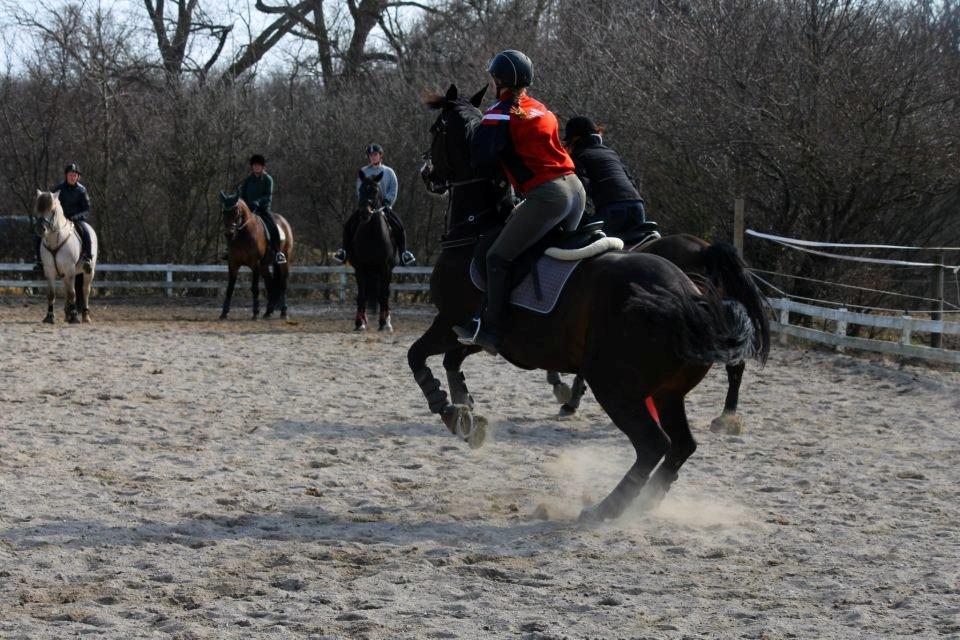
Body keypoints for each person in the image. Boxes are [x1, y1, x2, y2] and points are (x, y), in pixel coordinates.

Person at [453, 49, 586, 354]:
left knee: (497, 257)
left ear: (499, 80)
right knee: (536, 250)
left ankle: (491, 329)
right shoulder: (542, 108)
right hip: (576, 191)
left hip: (549, 196)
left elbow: (481, 159)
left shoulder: (499, 112)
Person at [562, 116, 647, 240]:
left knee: (583, 244)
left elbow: (580, 188)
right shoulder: (610, 152)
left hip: (611, 208)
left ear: (575, 138)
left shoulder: (579, 155)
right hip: (637, 205)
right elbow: (630, 180)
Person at [334, 144, 416, 266]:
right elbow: (359, 188)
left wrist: (388, 200)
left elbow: (393, 188)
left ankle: (404, 253)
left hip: (384, 207)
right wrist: (364, 201)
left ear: (380, 156)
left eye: (375, 155)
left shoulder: (389, 172)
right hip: (367, 207)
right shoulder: (364, 171)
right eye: (371, 155)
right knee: (349, 225)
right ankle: (344, 252)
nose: (373, 157)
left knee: (399, 225)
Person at [35, 163, 93, 273]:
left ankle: (88, 258)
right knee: (39, 232)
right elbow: (49, 202)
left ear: (78, 177)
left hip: (76, 220)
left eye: (75, 175)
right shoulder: (58, 188)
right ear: (66, 176)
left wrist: (76, 217)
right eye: (71, 175)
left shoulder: (82, 190)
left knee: (86, 232)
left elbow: (86, 209)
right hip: (60, 220)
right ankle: (39, 260)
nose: (73, 177)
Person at [237, 154, 286, 265]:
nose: (256, 167)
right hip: (249, 210)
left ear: (262, 167)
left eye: (258, 165)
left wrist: (258, 202)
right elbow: (243, 194)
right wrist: (242, 204)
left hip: (263, 209)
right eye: (254, 165)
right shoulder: (248, 180)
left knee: (273, 226)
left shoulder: (268, 179)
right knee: (235, 224)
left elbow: (268, 195)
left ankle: (278, 252)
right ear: (252, 167)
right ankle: (231, 250)